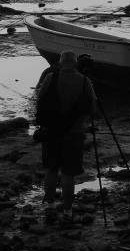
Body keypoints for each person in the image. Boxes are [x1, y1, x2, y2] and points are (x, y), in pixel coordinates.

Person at [36, 50, 97, 223]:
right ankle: (68, 211)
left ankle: (49, 205)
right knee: (69, 174)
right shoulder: (85, 82)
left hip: (51, 132)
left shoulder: (50, 78)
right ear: (76, 63)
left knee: (52, 169)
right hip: (74, 134)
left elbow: (39, 100)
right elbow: (92, 109)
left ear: (61, 63)